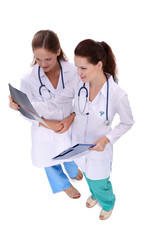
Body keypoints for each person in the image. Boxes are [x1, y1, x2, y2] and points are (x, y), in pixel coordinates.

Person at [31, 39, 134, 220]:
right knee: (87, 175)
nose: (78, 73)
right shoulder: (79, 83)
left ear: (99, 65)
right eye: (77, 67)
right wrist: (26, 106)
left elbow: (127, 122)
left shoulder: (117, 95)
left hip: (98, 151)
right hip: (79, 147)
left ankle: (108, 203)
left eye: (83, 68)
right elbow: (55, 102)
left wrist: (106, 139)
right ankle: (94, 195)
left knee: (100, 182)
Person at [9, 30, 83, 199]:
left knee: (70, 152)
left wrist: (71, 119)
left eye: (48, 58)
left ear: (58, 51)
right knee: (50, 160)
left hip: (70, 124)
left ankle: (72, 170)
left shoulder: (72, 70)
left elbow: (82, 98)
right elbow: (25, 110)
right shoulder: (28, 78)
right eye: (38, 58)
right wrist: (49, 125)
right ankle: (63, 184)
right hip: (44, 129)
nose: (43, 64)